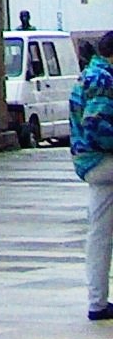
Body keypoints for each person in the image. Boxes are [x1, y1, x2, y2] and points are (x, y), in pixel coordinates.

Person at [67, 30, 113, 323]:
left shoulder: (90, 74)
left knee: (100, 233)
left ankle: (97, 302)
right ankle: (97, 302)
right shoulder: (104, 79)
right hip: (102, 158)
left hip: (89, 163)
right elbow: (97, 126)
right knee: (101, 233)